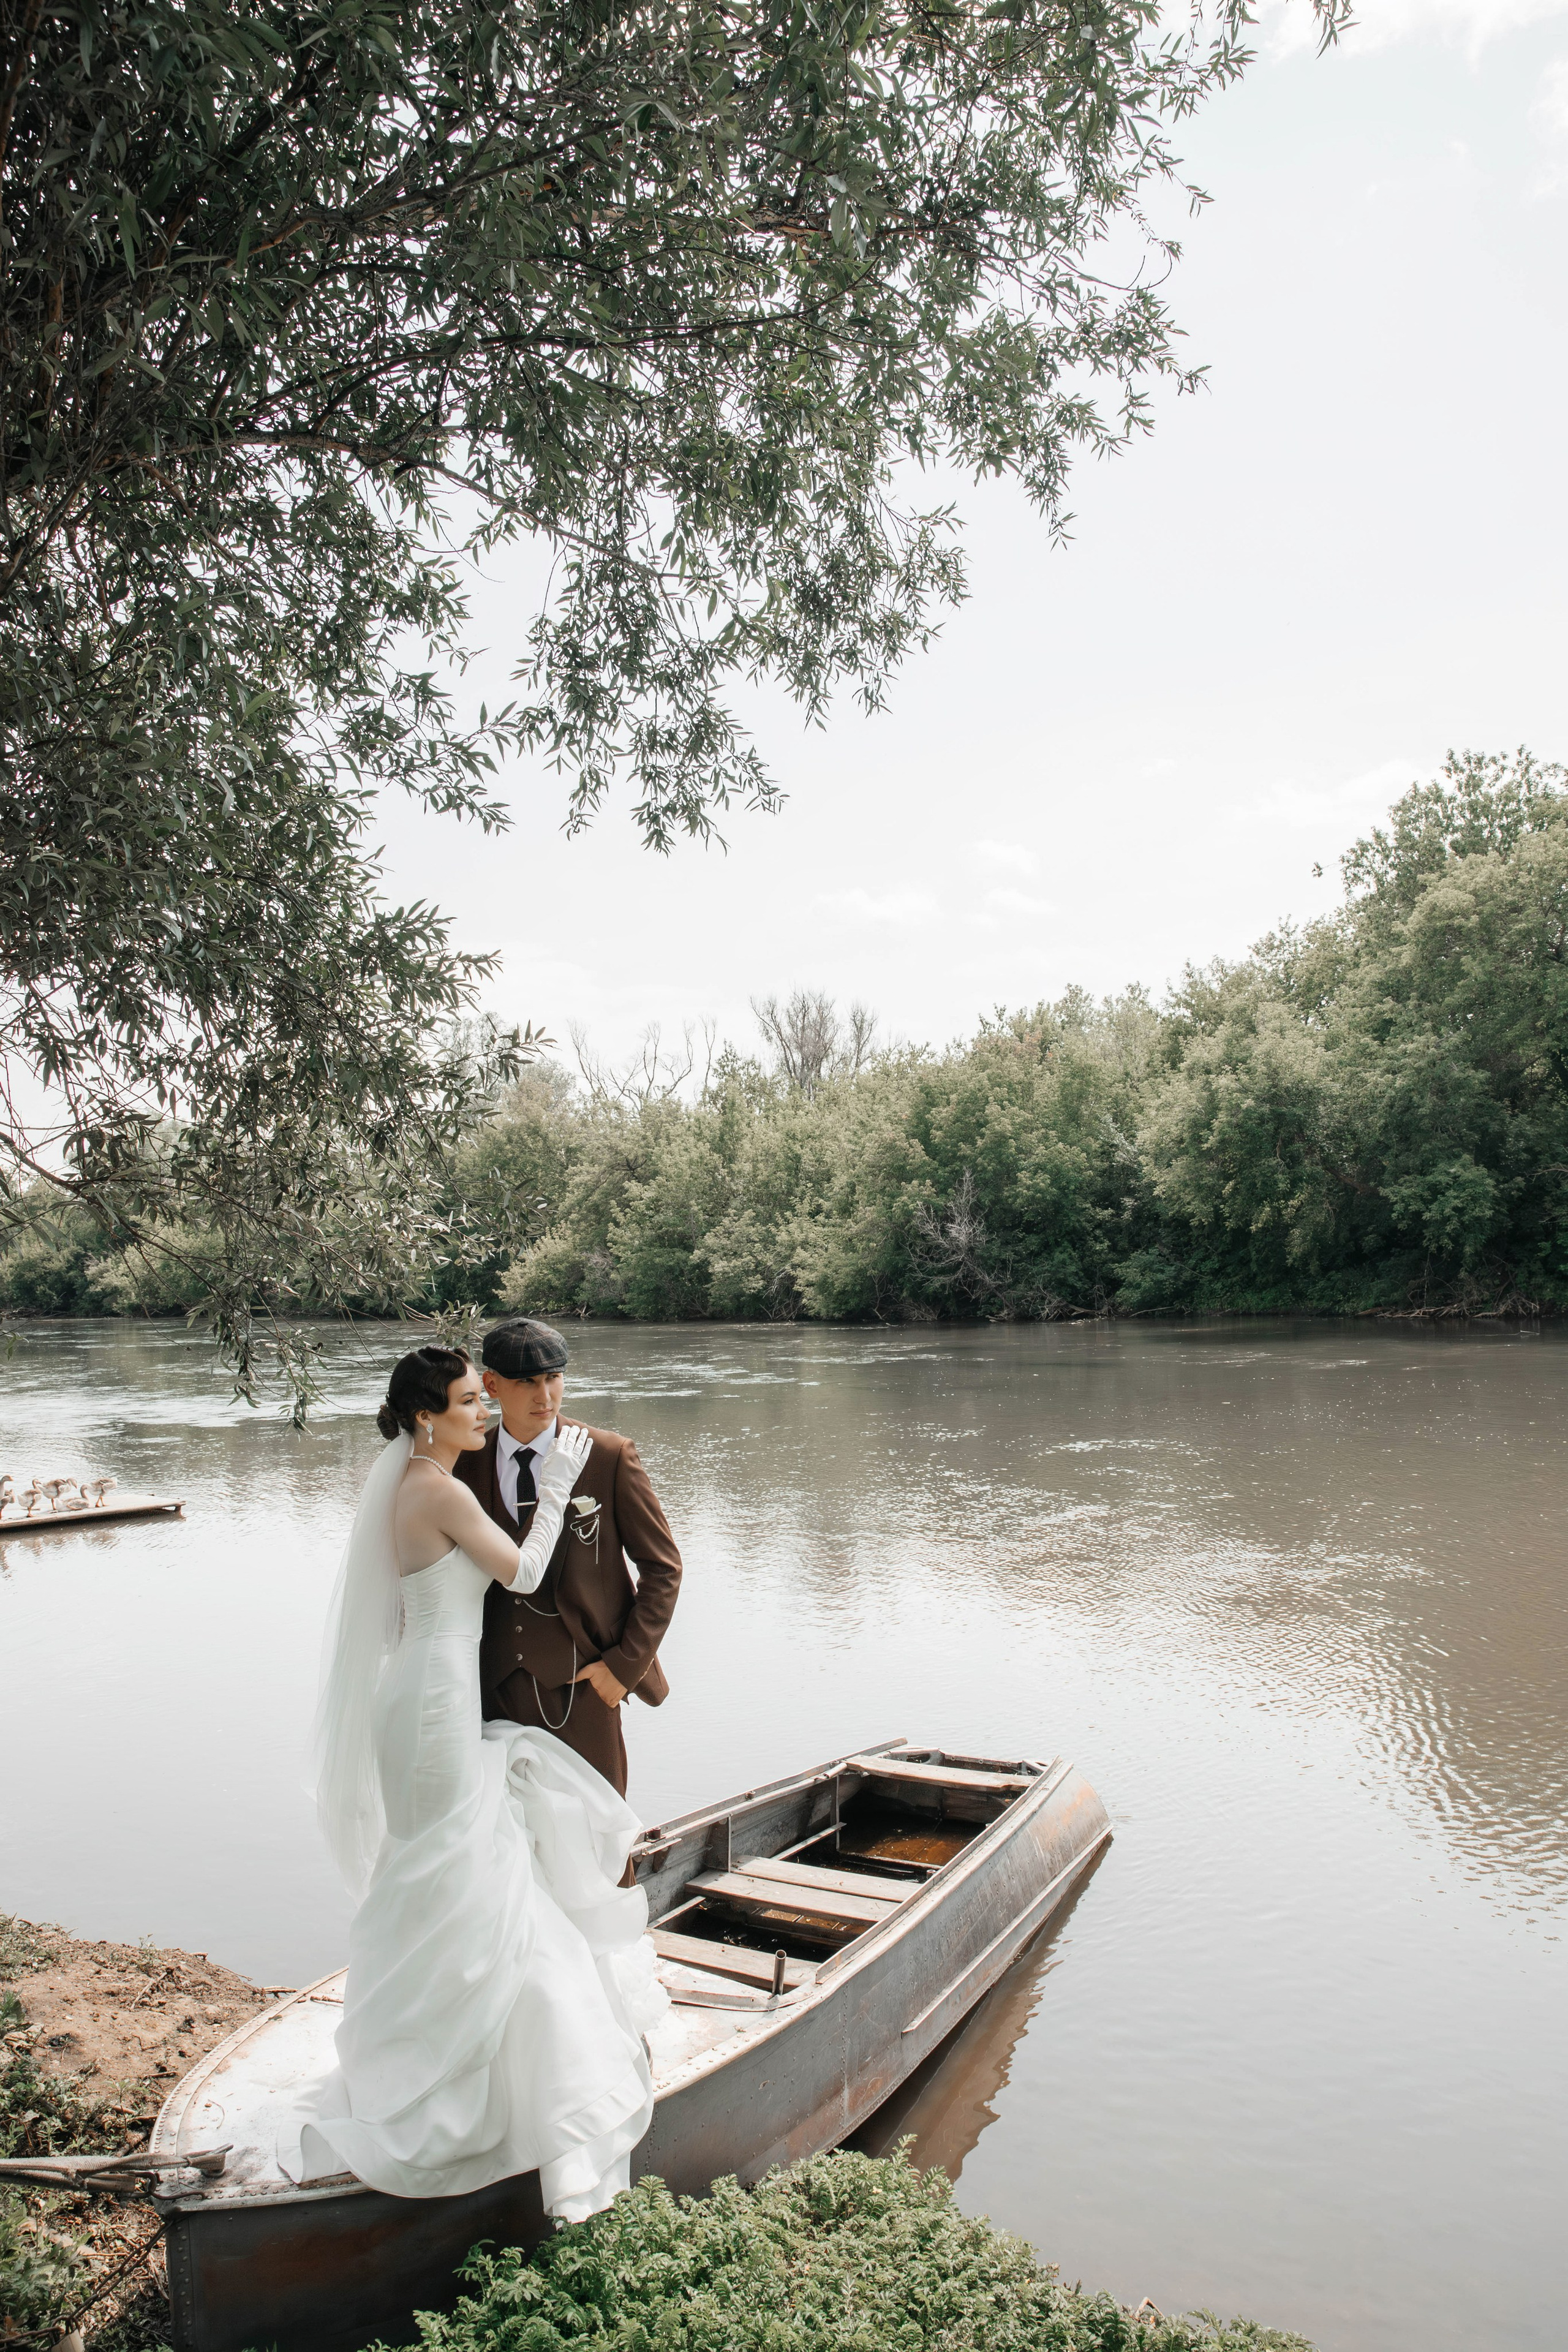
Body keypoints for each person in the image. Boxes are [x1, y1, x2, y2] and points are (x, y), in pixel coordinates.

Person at [285, 1346, 665, 2218]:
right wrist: (563, 1481)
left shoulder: (410, 1484)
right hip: (436, 1698)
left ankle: (443, 2040)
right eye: (470, 1401)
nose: (486, 1413)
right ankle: (461, 2066)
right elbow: (525, 1573)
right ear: (429, 1414)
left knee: (444, 1859)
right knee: (453, 1857)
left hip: (428, 1686)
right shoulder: (441, 1488)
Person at [454, 1317, 682, 1801]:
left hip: (586, 1688)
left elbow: (663, 1569)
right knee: (507, 1849)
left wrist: (622, 1669)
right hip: (487, 1691)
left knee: (601, 1841)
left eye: (553, 1378)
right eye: (526, 1382)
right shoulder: (463, 1462)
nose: (545, 1396)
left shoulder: (608, 1456)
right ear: (491, 1385)